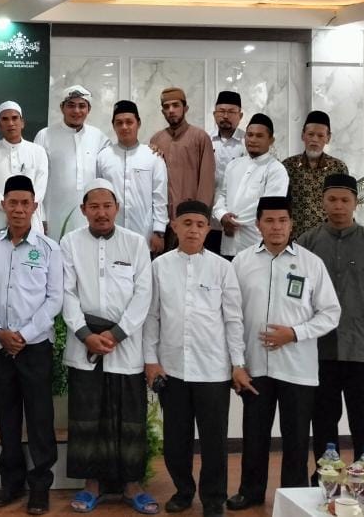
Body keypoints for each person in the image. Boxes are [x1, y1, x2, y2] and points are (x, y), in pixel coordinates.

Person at [227, 196, 341, 510]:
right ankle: (250, 492)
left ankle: (295, 496)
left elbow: (331, 313)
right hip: (255, 368)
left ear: (291, 224)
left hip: (297, 368)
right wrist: (237, 363)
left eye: (283, 221)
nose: (276, 227)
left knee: (295, 439)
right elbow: (232, 317)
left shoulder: (310, 263)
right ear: (258, 224)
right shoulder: (242, 262)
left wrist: (293, 334)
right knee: (254, 436)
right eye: (269, 221)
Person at [60, 179, 156, 515]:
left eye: (107, 206)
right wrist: (86, 333)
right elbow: (66, 292)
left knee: (130, 418)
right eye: (94, 206)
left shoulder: (134, 243)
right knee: (87, 418)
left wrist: (116, 333)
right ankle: (91, 487)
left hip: (124, 344)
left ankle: (133, 486)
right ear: (84, 210)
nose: (101, 212)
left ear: (117, 208)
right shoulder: (70, 242)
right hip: (85, 342)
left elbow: (144, 294)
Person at [144, 201, 245, 517]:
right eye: (187, 223)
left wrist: (237, 364)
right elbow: (151, 317)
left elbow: (233, 319)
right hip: (172, 367)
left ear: (207, 229)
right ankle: (183, 491)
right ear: (174, 226)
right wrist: (151, 360)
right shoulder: (159, 266)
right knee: (176, 439)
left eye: (200, 224)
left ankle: (213, 498)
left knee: (214, 441)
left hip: (213, 369)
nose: (193, 229)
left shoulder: (222, 268)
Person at [299, 174, 364, 465]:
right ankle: (326, 478)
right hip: (319, 352)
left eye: (345, 200)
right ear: (322, 201)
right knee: (324, 421)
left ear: (355, 203)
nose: (338, 206)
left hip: (363, 351)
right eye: (332, 199)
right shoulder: (307, 243)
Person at [0, 175, 63, 516]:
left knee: (40, 418)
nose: (18, 209)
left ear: (34, 206)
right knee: (8, 418)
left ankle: (40, 488)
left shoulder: (49, 249)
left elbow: (55, 299)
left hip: (35, 348)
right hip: (2, 348)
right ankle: (11, 483)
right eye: (12, 202)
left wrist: (24, 335)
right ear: (3, 205)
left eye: (24, 203)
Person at [34, 85, 110, 240]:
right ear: (62, 108)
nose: (76, 111)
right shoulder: (45, 135)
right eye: (71, 105)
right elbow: (35, 179)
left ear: (89, 109)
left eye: (82, 106)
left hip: (90, 216)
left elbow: (114, 165)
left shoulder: (99, 137)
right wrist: (40, 216)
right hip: (53, 216)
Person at [96, 100, 168, 253]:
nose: (124, 127)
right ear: (113, 125)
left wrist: (159, 232)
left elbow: (160, 197)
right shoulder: (103, 157)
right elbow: (98, 196)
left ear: (138, 123)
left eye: (129, 122)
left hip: (144, 234)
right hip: (110, 234)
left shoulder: (153, 156)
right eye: (119, 123)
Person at [213, 114, 289, 258]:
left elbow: (268, 208)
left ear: (271, 140)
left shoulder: (276, 169)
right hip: (229, 245)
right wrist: (222, 216)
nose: (253, 140)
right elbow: (222, 196)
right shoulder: (233, 165)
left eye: (259, 136)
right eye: (250, 135)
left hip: (256, 245)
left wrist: (232, 222)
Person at [148, 87, 215, 245]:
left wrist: (199, 219)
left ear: (185, 108)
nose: (171, 110)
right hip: (163, 222)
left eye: (176, 105)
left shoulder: (200, 138)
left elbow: (206, 182)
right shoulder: (156, 139)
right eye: (166, 107)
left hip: (190, 221)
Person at [0, 102, 48, 240]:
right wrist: (8, 206)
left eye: (15, 118)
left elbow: (40, 188)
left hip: (30, 217)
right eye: (5, 119)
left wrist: (23, 208)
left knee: (30, 258)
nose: (10, 123)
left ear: (22, 123)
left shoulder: (37, 151)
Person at [283, 111, 349, 238]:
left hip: (327, 238)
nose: (314, 139)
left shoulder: (338, 167)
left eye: (320, 135)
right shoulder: (288, 166)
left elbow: (344, 205)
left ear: (328, 138)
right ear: (303, 136)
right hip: (295, 237)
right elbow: (280, 203)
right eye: (310, 134)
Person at [208, 91, 245, 254]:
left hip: (236, 219)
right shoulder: (204, 140)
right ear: (214, 114)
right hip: (208, 219)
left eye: (231, 112)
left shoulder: (248, 142)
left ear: (240, 115)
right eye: (221, 111)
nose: (225, 116)